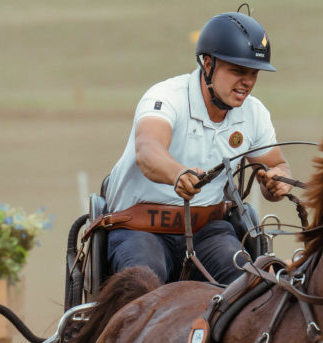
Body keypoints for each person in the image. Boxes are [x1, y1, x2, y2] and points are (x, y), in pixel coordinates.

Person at [102, 11, 292, 285]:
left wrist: (276, 181)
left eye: (253, 73)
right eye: (238, 70)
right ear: (207, 64)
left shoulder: (255, 114)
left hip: (210, 232)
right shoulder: (165, 97)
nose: (248, 82)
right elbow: (148, 151)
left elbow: (276, 164)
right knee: (143, 286)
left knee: (252, 286)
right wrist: (178, 173)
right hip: (140, 230)